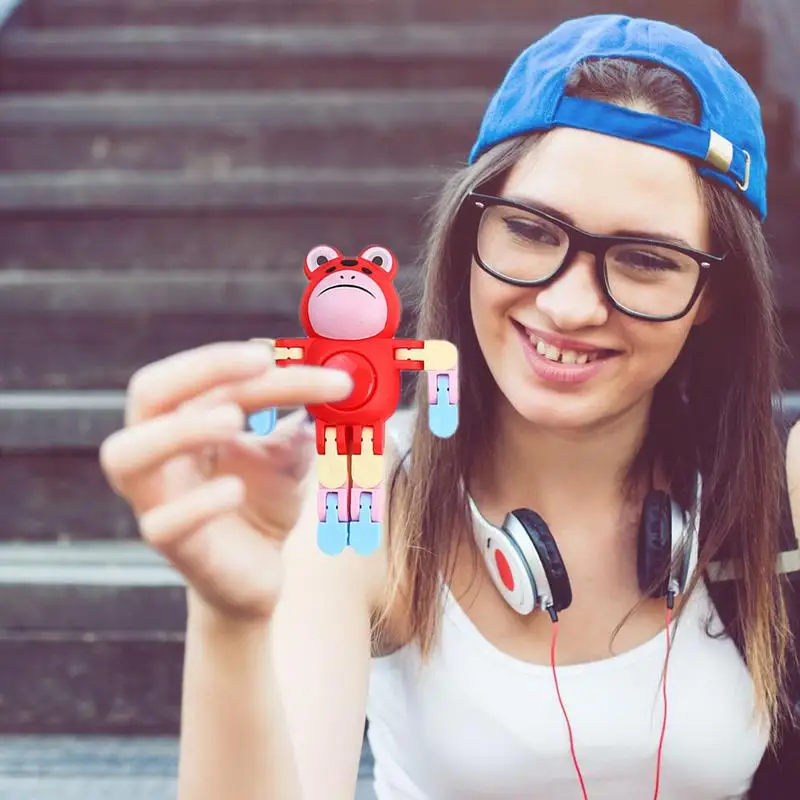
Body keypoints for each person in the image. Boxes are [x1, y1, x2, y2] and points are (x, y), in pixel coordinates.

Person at [98, 14, 800, 800]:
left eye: (644, 260)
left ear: (713, 296)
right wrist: (230, 619)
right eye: (532, 231)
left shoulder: (781, 476)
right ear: (471, 228)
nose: (569, 307)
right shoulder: (365, 497)